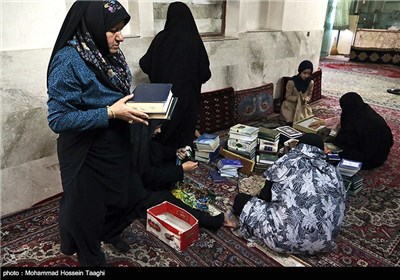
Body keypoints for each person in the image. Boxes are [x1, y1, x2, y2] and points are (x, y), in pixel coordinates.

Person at [47, 0, 150, 267]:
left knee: (130, 196)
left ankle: (109, 232)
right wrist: (110, 113)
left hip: (113, 141)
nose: (121, 36)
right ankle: (91, 256)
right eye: (113, 29)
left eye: (121, 28)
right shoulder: (68, 59)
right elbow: (58, 119)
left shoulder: (107, 52)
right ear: (92, 28)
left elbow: (114, 94)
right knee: (87, 213)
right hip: (85, 151)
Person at [231, 133, 346, 255]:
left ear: (298, 146)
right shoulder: (333, 172)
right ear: (322, 150)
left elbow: (266, 197)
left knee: (241, 200)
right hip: (324, 242)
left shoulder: (286, 162)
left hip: (284, 240)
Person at [129, 120, 238, 230]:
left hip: (141, 179)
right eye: (157, 127)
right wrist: (181, 169)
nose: (159, 131)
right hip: (132, 193)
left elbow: (154, 149)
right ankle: (208, 220)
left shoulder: (139, 139)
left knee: (166, 171)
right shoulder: (133, 147)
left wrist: (175, 152)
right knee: (164, 197)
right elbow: (150, 176)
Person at [139, 1, 212, 149]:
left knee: (164, 135)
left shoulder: (161, 38)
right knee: (184, 134)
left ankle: (164, 166)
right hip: (189, 100)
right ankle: (183, 163)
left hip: (164, 99)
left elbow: (144, 64)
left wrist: (159, 74)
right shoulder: (194, 41)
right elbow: (205, 73)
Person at [310, 92, 394, 170]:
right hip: (382, 154)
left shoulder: (357, 123)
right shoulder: (365, 112)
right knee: (332, 143)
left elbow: (345, 141)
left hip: (369, 160)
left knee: (332, 155)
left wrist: (335, 143)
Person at [280, 60, 314, 125]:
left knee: (306, 122)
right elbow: (287, 97)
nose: (306, 75)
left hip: (302, 106)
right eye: (304, 73)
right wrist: (298, 98)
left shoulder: (310, 82)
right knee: (291, 123)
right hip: (291, 106)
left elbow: (310, 95)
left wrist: (306, 99)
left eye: (308, 74)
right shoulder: (291, 82)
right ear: (300, 71)